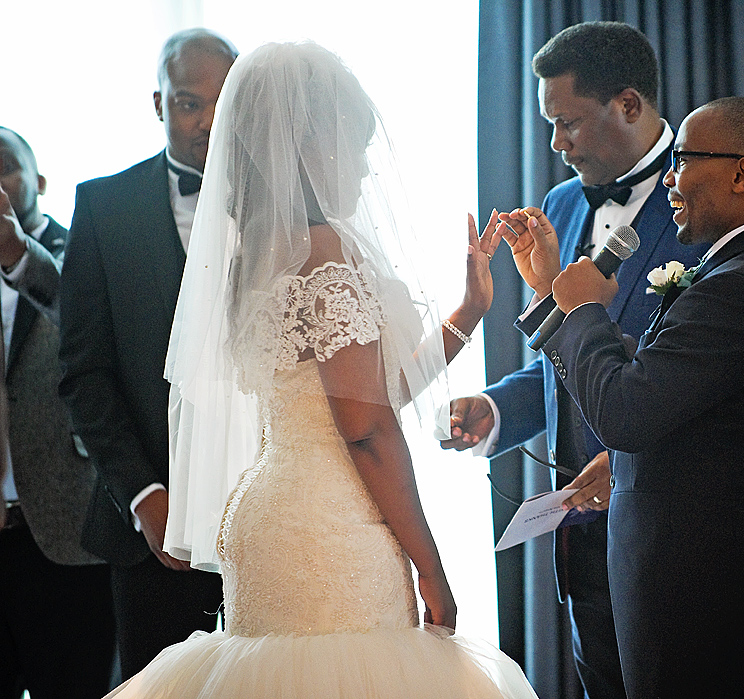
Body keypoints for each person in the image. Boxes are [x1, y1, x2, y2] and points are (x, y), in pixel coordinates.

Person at [103, 41, 537, 698]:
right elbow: (366, 427)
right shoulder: (325, 252)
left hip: (271, 518)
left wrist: (470, 310)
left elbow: (371, 394)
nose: (364, 170)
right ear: (311, 150)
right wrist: (432, 565)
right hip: (328, 533)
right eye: (354, 148)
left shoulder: (254, 250)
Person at [513, 97, 744, 698]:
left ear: (742, 173)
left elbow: (626, 414)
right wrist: (552, 294)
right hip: (692, 582)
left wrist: (582, 307)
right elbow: (667, 400)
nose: (669, 179)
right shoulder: (738, 273)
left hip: (711, 590)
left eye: (684, 160)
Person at [439, 22, 706, 698]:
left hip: (682, 534)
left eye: (567, 124)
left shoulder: (706, 206)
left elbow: (719, 380)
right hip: (582, 537)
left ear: (628, 104)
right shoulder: (561, 205)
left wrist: (627, 459)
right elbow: (569, 360)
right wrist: (498, 408)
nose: (555, 145)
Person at [58, 29, 237, 679]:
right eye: (190, 103)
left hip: (269, 513)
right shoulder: (102, 207)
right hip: (153, 532)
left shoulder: (287, 206)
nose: (210, 122)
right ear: (158, 105)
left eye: (226, 101)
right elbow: (85, 373)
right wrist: (142, 493)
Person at [0, 128, 116, 698]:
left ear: (39, 180)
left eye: (4, 166)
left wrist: (16, 253)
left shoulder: (82, 255)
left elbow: (87, 326)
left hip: (65, 532)